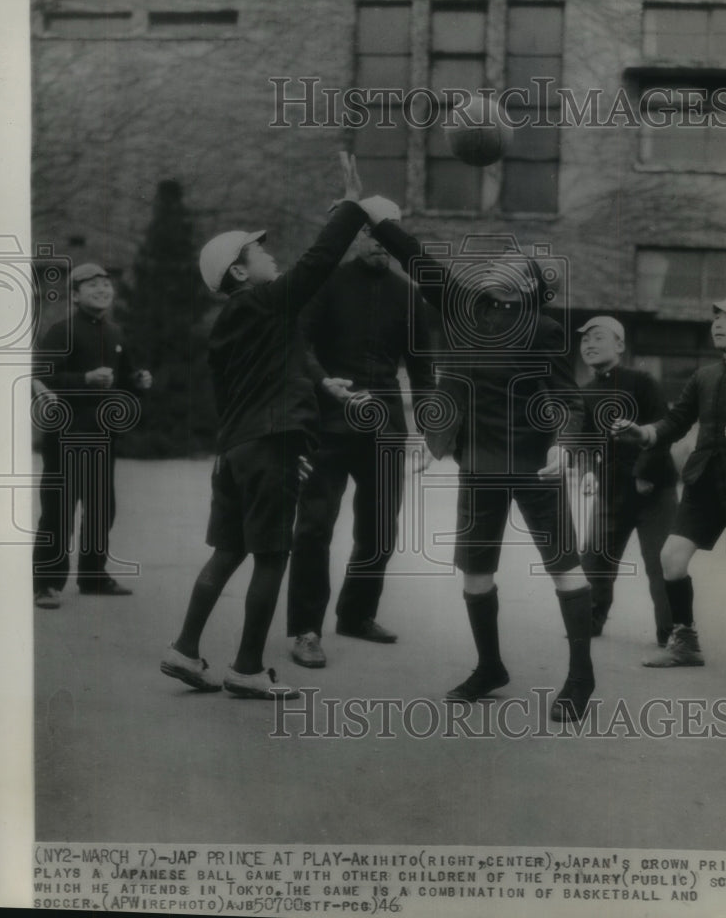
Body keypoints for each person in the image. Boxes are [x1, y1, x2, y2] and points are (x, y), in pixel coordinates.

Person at [356, 194, 596, 722]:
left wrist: (565, 443)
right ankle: (490, 667)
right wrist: (379, 220)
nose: (496, 268)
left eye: (512, 266)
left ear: (530, 285)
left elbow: (567, 398)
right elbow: (421, 263)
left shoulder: (544, 330)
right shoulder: (466, 308)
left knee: (564, 568)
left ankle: (582, 676)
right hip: (479, 464)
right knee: (475, 574)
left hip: (534, 466)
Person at [160, 154, 369, 699]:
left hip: (235, 450)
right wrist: (351, 207)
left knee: (227, 552)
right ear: (237, 271)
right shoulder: (266, 302)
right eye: (259, 251)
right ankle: (247, 669)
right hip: (272, 446)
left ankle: (184, 649)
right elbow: (319, 262)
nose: (270, 254)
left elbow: (287, 357)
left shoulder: (232, 322)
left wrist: (322, 384)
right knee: (273, 556)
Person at [287, 213, 436, 668]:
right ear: (355, 239)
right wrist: (321, 384)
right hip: (329, 421)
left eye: (387, 238)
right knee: (314, 527)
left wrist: (429, 430)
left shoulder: (409, 295)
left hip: (387, 427)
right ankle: (306, 630)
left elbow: (422, 368)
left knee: (380, 530)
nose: (380, 245)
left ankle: (356, 614)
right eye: (371, 235)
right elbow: (300, 346)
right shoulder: (326, 284)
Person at [612, 293, 726, 677]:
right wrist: (643, 432)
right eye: (715, 316)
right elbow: (675, 422)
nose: (717, 321)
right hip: (703, 483)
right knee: (671, 559)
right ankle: (685, 642)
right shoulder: (704, 376)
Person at [32, 262, 152, 609]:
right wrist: (84, 379)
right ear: (74, 295)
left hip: (102, 436)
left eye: (106, 284)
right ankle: (46, 584)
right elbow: (41, 381)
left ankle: (92, 576)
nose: (102, 289)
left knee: (102, 510)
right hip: (64, 436)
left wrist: (139, 382)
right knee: (58, 511)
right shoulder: (61, 332)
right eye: (92, 285)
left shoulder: (115, 333)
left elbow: (125, 378)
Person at [577, 316, 678, 645]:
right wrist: (588, 472)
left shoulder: (642, 381)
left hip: (653, 489)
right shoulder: (586, 392)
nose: (588, 344)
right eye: (584, 340)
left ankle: (671, 633)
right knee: (595, 557)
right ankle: (592, 619)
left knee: (660, 563)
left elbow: (662, 429)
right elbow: (584, 442)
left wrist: (644, 474)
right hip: (610, 491)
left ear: (619, 345)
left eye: (597, 337)